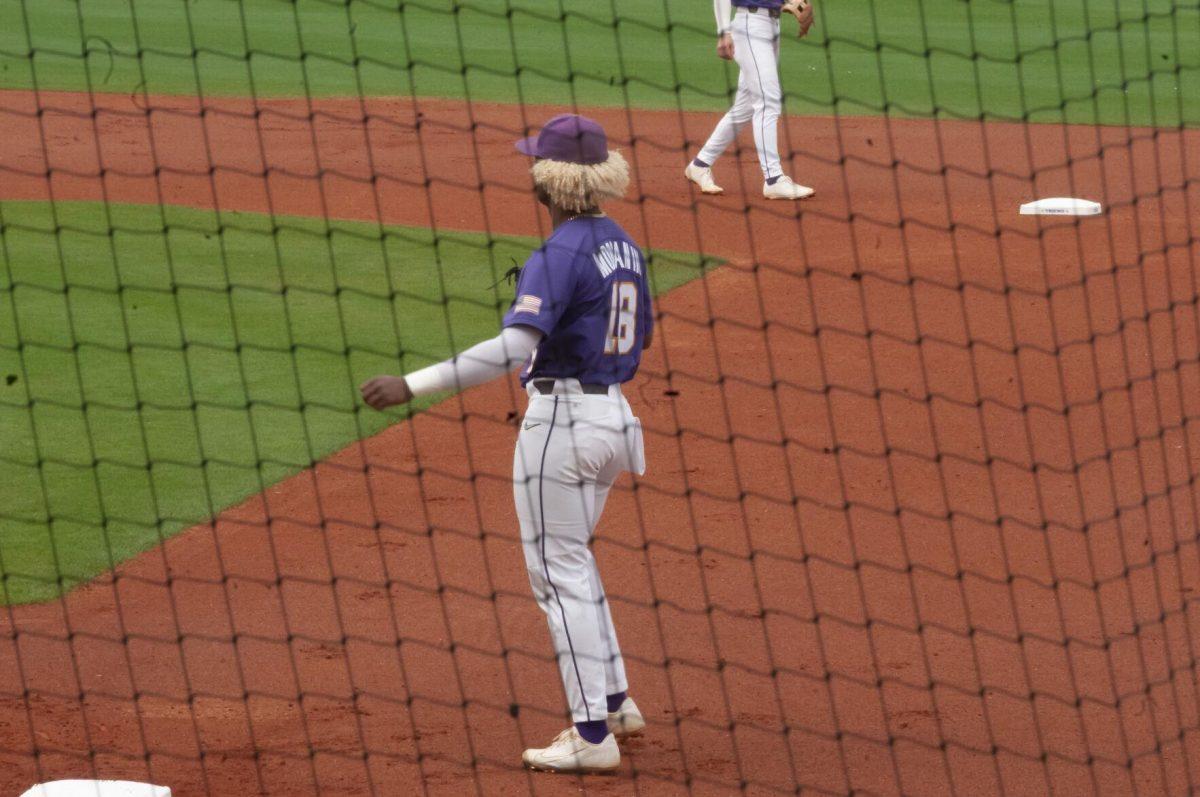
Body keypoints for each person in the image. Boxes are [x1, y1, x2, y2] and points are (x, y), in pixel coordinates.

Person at [360, 114, 650, 774]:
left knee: (557, 573)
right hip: (613, 421)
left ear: (546, 183)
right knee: (574, 561)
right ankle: (614, 699)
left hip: (564, 428)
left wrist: (413, 383)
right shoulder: (623, 245)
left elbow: (516, 348)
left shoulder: (560, 253)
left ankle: (591, 735)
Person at [684, 0, 816, 200]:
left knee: (745, 107)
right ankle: (774, 179)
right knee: (767, 102)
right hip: (750, 26)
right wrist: (723, 31)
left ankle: (699, 165)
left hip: (771, 26)